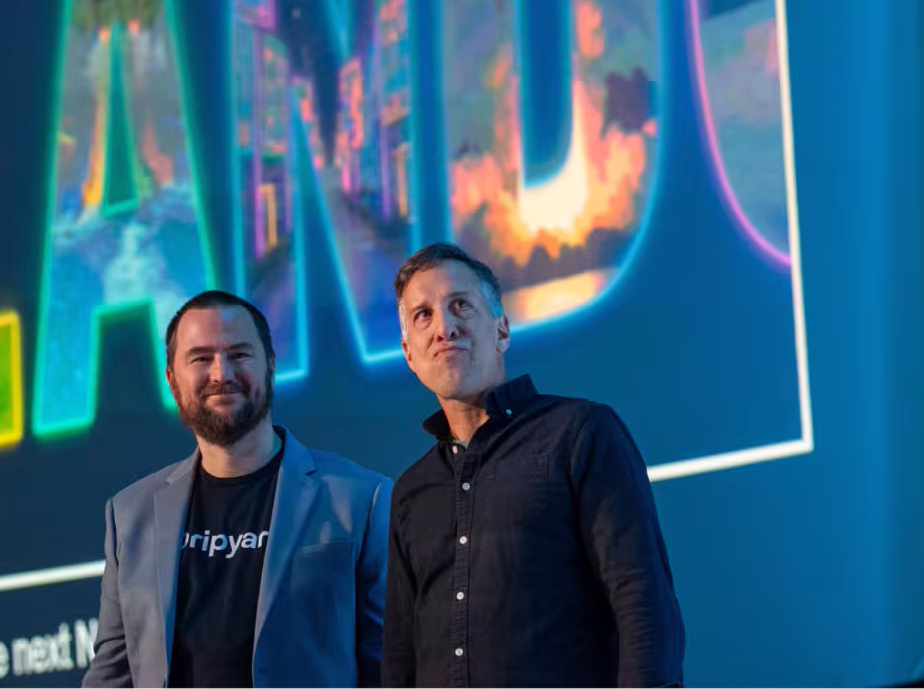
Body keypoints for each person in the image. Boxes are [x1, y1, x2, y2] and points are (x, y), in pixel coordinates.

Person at [382, 243, 685, 689]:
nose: (443, 327)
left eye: (460, 305)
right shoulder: (411, 491)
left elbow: (643, 602)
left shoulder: (580, 433)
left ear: (502, 329)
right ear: (410, 353)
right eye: (423, 315)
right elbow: (401, 656)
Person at [82, 290, 391, 689]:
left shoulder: (362, 500)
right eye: (201, 358)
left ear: (271, 367)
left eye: (240, 354)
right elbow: (111, 677)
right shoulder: (129, 516)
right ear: (173, 380)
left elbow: (389, 667)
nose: (221, 373)